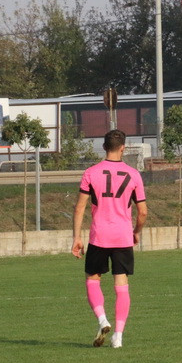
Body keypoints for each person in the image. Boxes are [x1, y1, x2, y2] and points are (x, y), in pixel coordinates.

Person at [70, 129, 147, 349]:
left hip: (99, 237)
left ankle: (103, 320)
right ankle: (118, 336)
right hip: (123, 237)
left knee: (92, 279)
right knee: (121, 285)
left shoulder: (91, 173)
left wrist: (77, 237)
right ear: (123, 148)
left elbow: (79, 208)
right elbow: (143, 212)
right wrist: (136, 231)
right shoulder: (134, 175)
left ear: (104, 147)